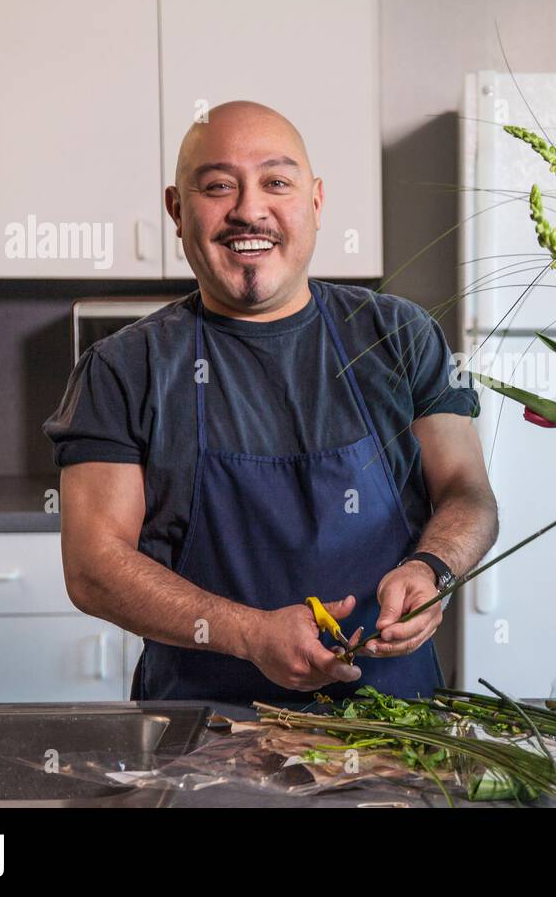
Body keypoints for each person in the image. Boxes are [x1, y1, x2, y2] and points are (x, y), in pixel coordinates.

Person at [44, 101, 499, 705]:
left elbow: (469, 494)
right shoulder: (124, 369)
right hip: (203, 739)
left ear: (313, 202)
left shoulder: (398, 336)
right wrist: (249, 633)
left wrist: (432, 571)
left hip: (392, 730)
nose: (249, 210)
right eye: (218, 187)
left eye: (276, 183)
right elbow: (93, 566)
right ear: (177, 212)